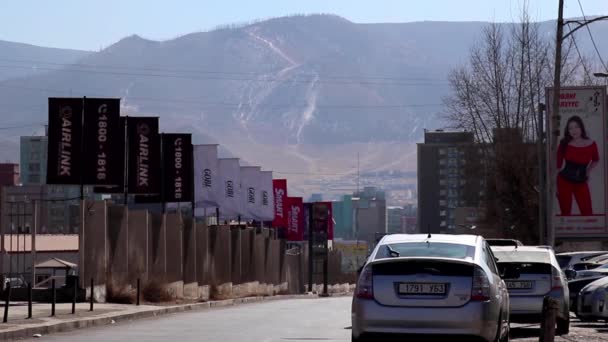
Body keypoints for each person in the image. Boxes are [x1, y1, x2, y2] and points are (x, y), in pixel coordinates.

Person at [556, 115, 599, 215]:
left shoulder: (592, 144)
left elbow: (596, 160)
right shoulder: (564, 143)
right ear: (568, 130)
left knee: (588, 213)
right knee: (565, 213)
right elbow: (557, 167)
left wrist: (588, 171)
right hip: (564, 183)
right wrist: (555, 186)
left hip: (581, 182)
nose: (573, 130)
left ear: (581, 127)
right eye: (570, 128)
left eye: (576, 127)